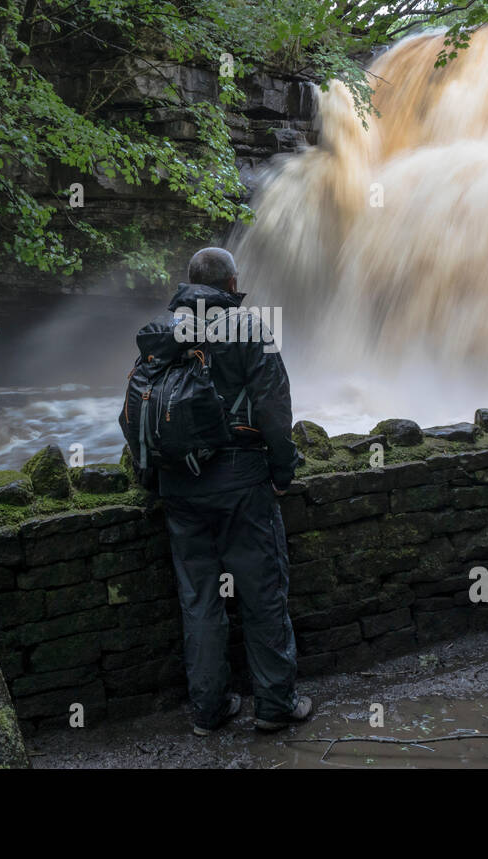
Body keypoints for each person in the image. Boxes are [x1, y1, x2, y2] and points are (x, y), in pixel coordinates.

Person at [148, 247, 313, 736]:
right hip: (240, 482)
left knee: (199, 600)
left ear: (190, 282)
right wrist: (283, 471)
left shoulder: (163, 329)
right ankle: (275, 706)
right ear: (232, 284)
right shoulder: (247, 328)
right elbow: (273, 407)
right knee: (262, 594)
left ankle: (209, 710)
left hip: (178, 484)